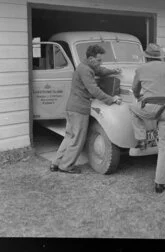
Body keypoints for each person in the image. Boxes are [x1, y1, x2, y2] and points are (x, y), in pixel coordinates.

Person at [50, 44, 122, 174]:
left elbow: (100, 70)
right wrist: (112, 99)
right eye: (99, 60)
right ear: (91, 58)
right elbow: (94, 90)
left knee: (69, 136)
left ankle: (56, 163)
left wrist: (113, 71)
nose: (100, 62)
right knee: (77, 139)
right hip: (79, 109)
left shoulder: (86, 66)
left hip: (72, 107)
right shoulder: (86, 70)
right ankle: (66, 166)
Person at [129, 43, 165, 193]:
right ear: (160, 56)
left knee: (131, 108)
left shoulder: (140, 69)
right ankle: (160, 183)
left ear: (146, 57)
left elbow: (135, 89)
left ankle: (141, 137)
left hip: (149, 108)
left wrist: (138, 97)